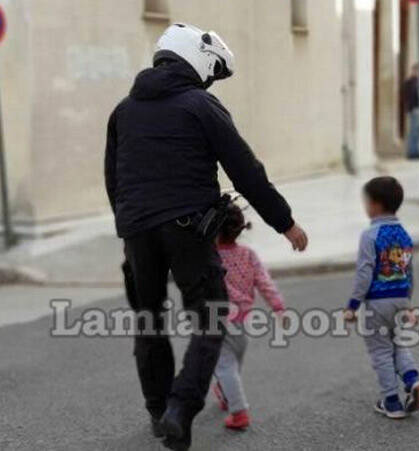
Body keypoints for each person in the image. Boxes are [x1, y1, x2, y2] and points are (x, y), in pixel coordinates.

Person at [104, 23, 308, 450]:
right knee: (211, 319)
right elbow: (245, 170)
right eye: (210, 71)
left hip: (137, 232)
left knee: (149, 319)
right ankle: (181, 408)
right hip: (187, 228)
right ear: (194, 58)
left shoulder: (123, 110)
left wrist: (127, 229)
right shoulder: (201, 105)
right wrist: (284, 222)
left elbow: (113, 178)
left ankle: (159, 412)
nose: (210, 79)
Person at [343, 176, 419, 420]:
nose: (365, 206)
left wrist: (352, 306)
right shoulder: (404, 235)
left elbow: (364, 273)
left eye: (366, 201)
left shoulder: (370, 235)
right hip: (400, 299)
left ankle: (392, 402)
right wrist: (408, 303)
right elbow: (409, 273)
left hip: (377, 303)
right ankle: (412, 381)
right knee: (399, 344)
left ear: (376, 205)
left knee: (380, 351)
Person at [211, 203, 286, 430]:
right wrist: (278, 306)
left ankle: (239, 412)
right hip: (243, 320)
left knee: (225, 366)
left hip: (220, 318)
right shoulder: (248, 254)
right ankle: (226, 393)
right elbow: (264, 282)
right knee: (233, 364)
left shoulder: (211, 258)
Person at [402, 64, 419, 159]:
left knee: (418, 131)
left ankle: (416, 151)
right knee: (413, 131)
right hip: (414, 109)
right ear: (413, 71)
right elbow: (407, 94)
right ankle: (412, 152)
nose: (417, 72)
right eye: (416, 70)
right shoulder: (410, 82)